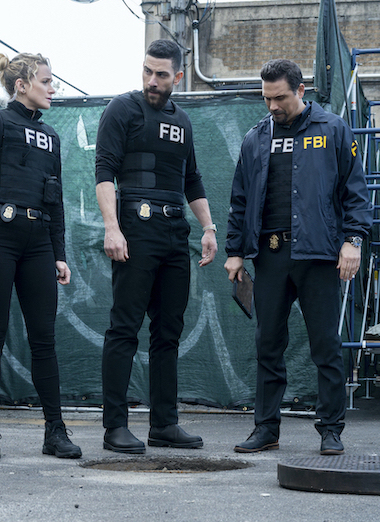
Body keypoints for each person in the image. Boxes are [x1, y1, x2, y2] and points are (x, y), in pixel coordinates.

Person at [224, 59, 372, 456]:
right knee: (268, 343)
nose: (273, 106)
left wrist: (353, 241)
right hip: (270, 256)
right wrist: (235, 252)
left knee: (326, 345)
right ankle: (266, 429)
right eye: (266, 99)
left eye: (280, 98)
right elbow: (239, 199)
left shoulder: (333, 129)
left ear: (301, 90)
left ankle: (331, 430)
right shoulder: (255, 138)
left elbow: (356, 192)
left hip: (318, 255)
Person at [95, 39, 218, 454]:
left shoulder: (182, 120)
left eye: (161, 74)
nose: (151, 80)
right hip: (135, 227)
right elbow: (105, 171)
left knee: (168, 332)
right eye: (147, 71)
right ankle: (115, 427)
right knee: (124, 327)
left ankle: (164, 424)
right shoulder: (122, 109)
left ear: (178, 77)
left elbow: (192, 179)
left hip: (174, 233)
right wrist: (112, 228)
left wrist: (208, 228)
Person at [0, 52, 81, 460]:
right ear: (21, 85)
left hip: (39, 243)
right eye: (46, 81)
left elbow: (55, 197)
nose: (52, 88)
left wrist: (59, 254)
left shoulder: (51, 137)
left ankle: (55, 432)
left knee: (44, 339)